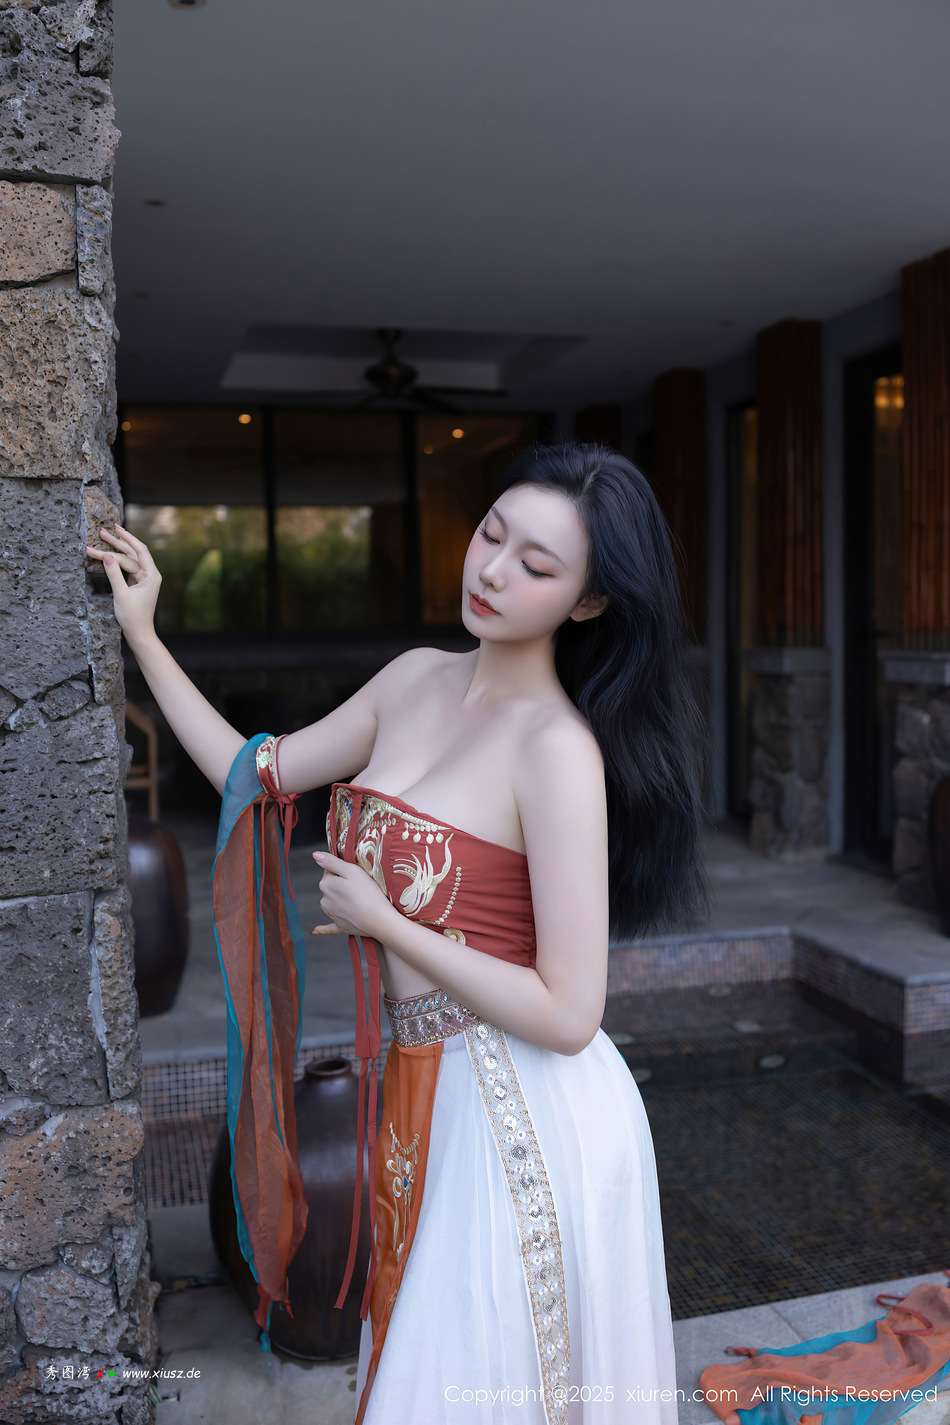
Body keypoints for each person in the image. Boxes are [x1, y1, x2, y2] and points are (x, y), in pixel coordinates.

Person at [88, 441, 707, 1424]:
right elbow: (256, 775)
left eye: (535, 565)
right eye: (490, 535)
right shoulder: (413, 678)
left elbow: (570, 1012)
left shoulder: (556, 751)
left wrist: (387, 923)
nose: (491, 571)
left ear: (589, 602)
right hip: (423, 1085)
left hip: (525, 1110)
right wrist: (144, 636)